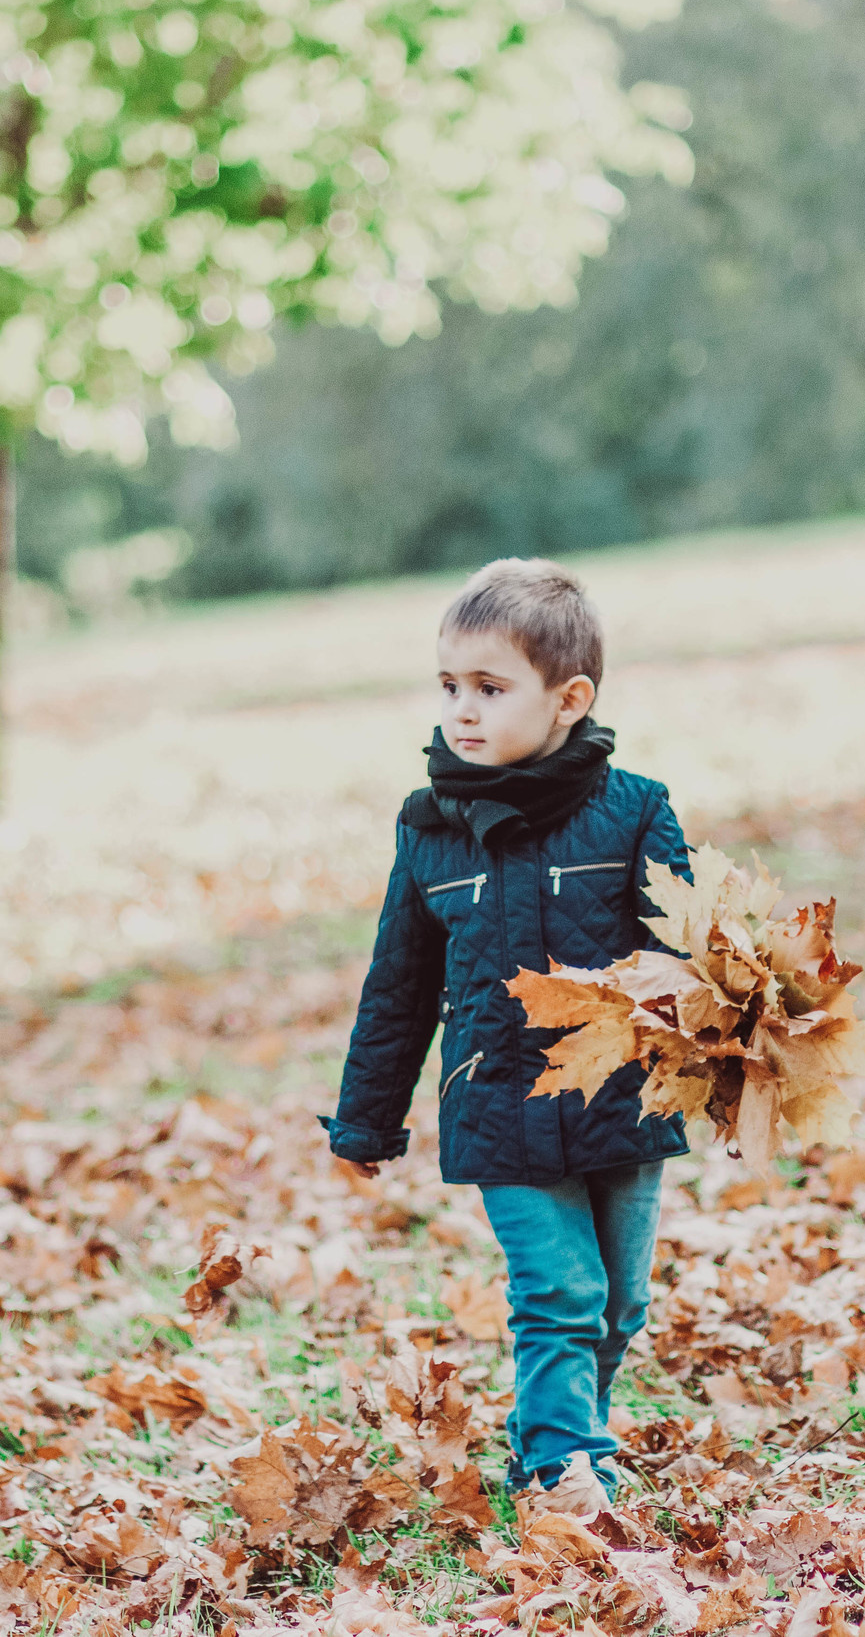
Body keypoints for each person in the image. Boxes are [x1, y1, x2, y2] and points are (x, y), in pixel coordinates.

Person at [324, 559, 689, 1514]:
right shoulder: (429, 830)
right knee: (560, 1293)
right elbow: (398, 986)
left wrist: (721, 1052)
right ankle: (563, 1469)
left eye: (490, 688)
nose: (462, 710)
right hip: (500, 1107)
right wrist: (367, 1121)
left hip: (625, 1100)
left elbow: (687, 954)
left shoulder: (636, 810)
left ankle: (570, 1433)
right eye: (449, 686)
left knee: (619, 1302)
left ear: (570, 699)